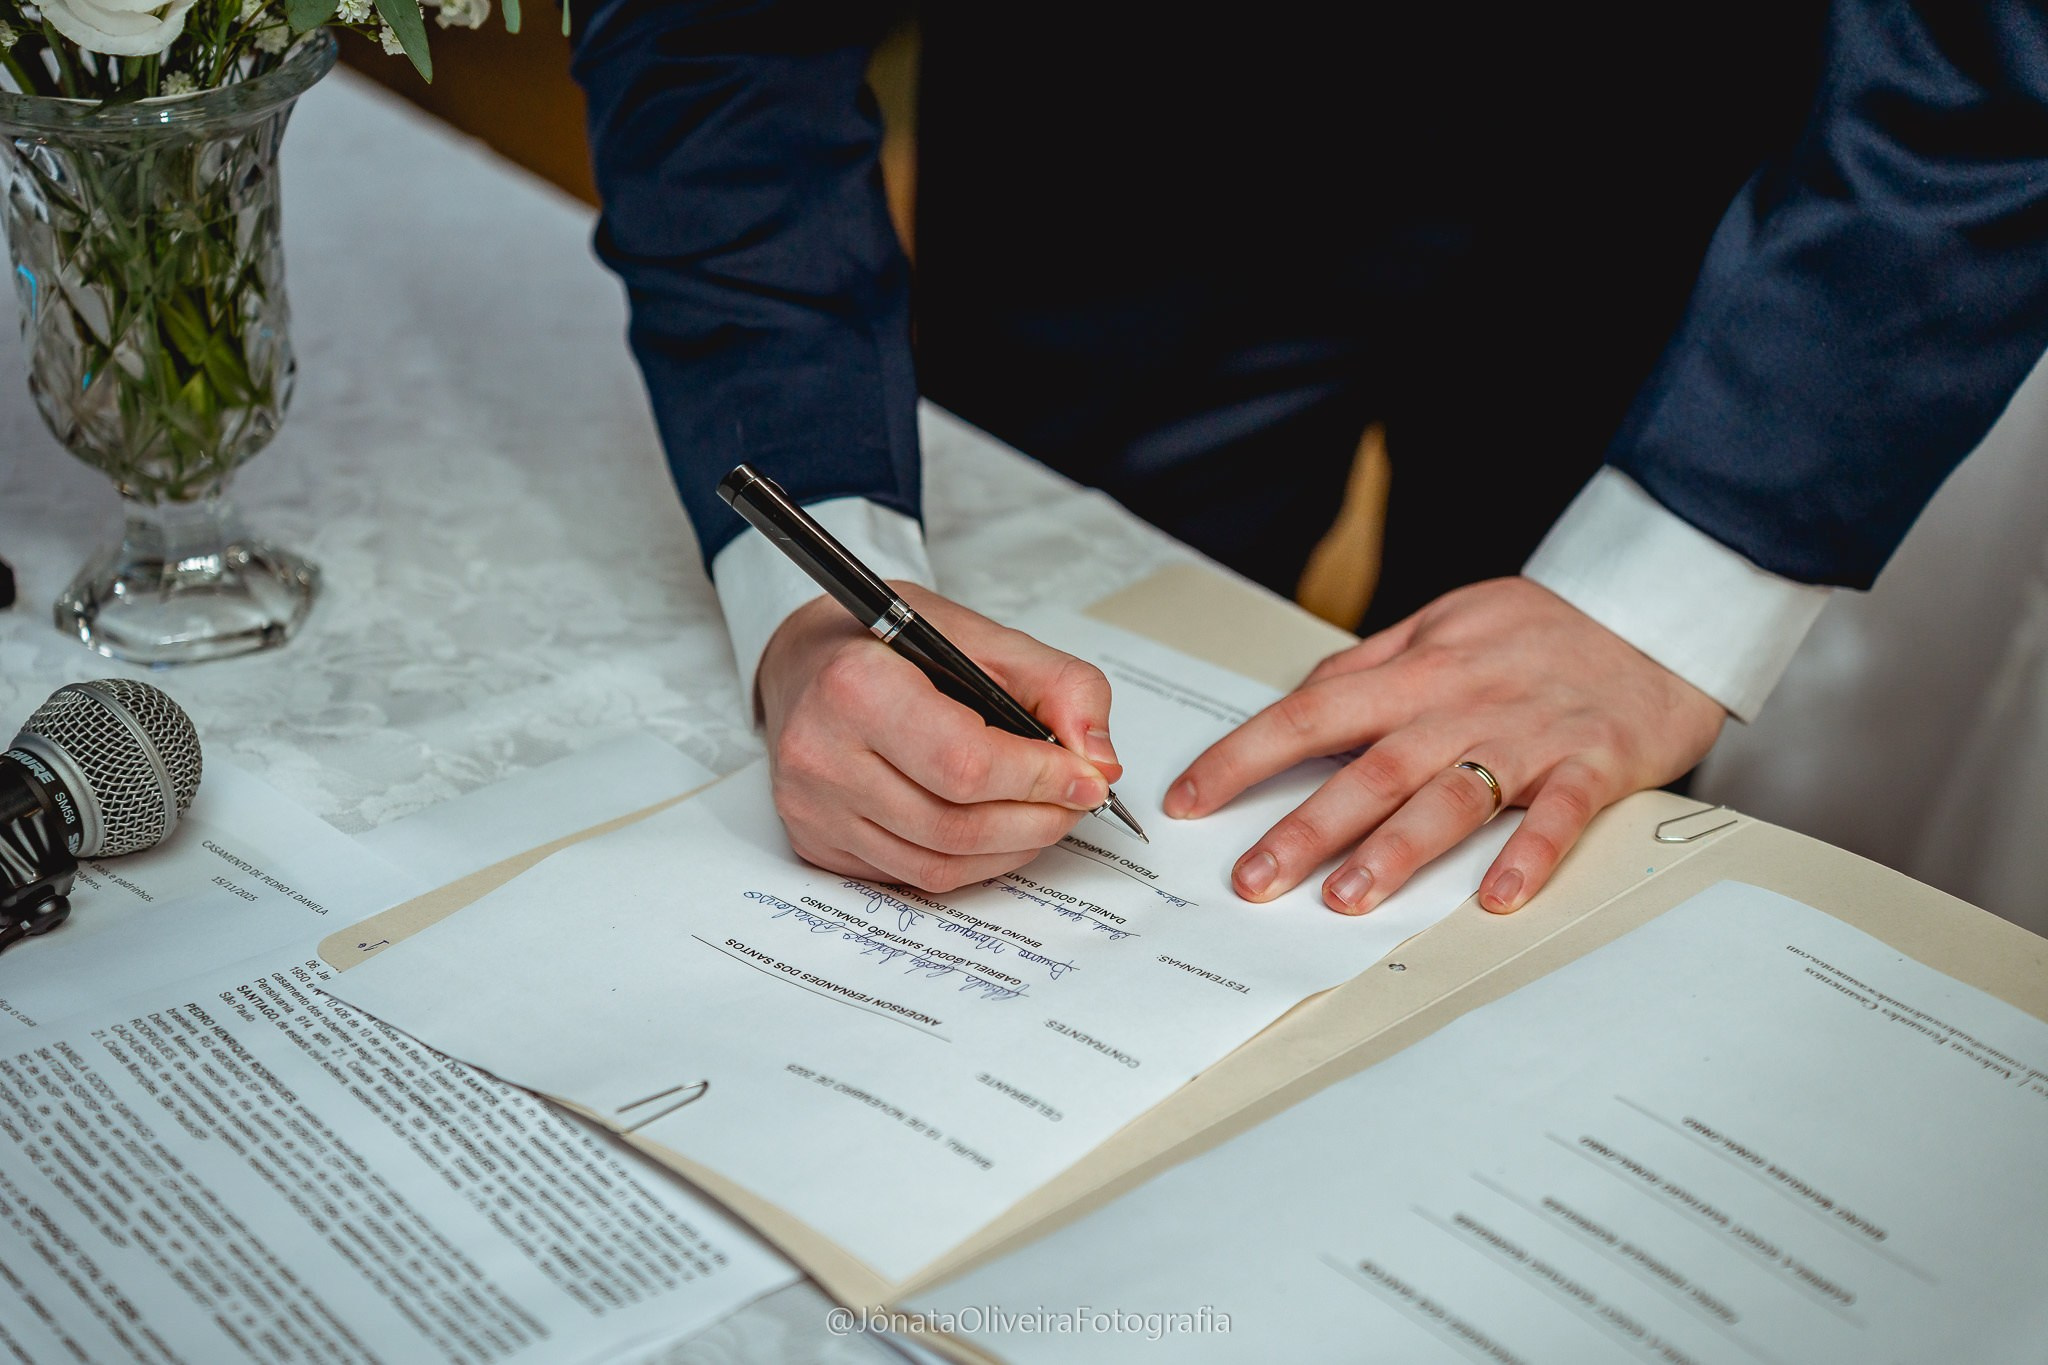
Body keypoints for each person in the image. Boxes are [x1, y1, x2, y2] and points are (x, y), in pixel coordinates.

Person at [570, 0, 2048, 915]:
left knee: (1519, 846)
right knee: (1035, 691)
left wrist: (1677, 587)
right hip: (1123, 125)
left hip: (1700, 165)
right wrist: (828, 573)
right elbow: (719, 29)